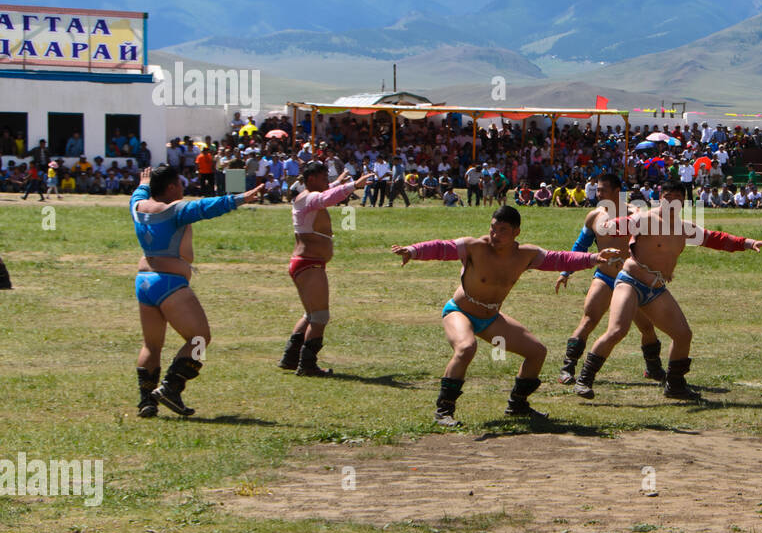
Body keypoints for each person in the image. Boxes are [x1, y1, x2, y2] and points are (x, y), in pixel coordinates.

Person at [391, 206, 619, 426]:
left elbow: (558, 259)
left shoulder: (525, 255)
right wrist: (413, 250)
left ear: (516, 232)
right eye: (493, 228)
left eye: (503, 231)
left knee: (537, 352)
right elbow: (442, 248)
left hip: (491, 318)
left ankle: (517, 405)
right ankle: (444, 410)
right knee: (466, 348)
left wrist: (593, 258)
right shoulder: (475, 247)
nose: (495, 235)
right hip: (460, 312)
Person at [573, 181, 762, 400]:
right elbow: (616, 226)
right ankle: (584, 379)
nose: (671, 202)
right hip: (630, 281)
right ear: (660, 198)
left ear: (683, 202)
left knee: (683, 334)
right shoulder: (646, 219)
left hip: (655, 289)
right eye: (667, 197)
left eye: (677, 198)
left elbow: (715, 239)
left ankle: (675, 385)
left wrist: (748, 242)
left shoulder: (684, 228)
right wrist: (611, 223)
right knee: (617, 331)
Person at [130, 164, 265, 417]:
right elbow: (205, 207)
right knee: (201, 339)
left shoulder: (136, 206)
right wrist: (240, 199)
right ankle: (172, 386)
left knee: (151, 345)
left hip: (144, 281)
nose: (183, 188)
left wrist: (143, 184)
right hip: (169, 283)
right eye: (179, 184)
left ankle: (146, 401)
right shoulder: (175, 211)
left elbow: (140, 191)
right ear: (170, 187)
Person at [555, 173, 666, 385]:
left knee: (646, 327)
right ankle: (567, 367)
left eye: (603, 190)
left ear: (617, 192)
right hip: (605, 276)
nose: (598, 194)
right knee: (589, 320)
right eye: (597, 190)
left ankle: (653, 367)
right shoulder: (594, 216)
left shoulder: (635, 214)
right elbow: (581, 246)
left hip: (633, 281)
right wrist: (566, 271)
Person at [279, 162, 375, 376]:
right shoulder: (311, 198)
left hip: (305, 263)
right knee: (320, 316)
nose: (326, 182)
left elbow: (323, 192)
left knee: (311, 314)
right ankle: (308, 365)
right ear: (311, 179)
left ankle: (290, 357)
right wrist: (352, 186)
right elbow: (324, 198)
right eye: (323, 178)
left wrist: (337, 182)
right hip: (309, 264)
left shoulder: (304, 197)